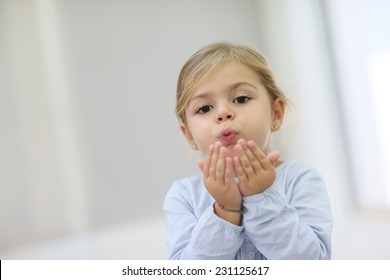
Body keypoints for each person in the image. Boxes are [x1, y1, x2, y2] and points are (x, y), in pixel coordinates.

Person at [163, 42, 332, 260]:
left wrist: (263, 198)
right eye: (205, 108)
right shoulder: (183, 196)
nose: (223, 112)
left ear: (276, 113)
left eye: (241, 99)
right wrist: (224, 212)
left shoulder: (301, 180)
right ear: (188, 135)